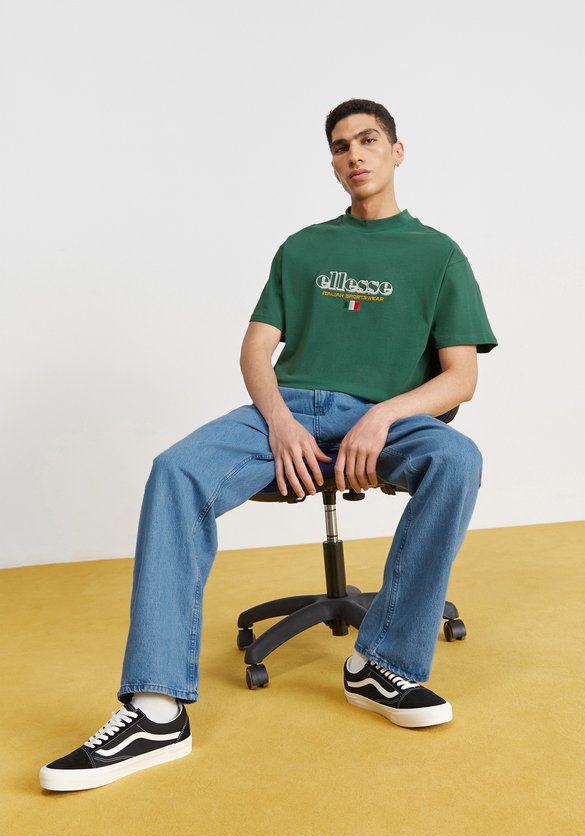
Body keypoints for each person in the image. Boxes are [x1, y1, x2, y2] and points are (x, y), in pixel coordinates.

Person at [40, 98, 498, 791]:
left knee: (458, 459)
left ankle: (382, 664)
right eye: (340, 146)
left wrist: (382, 416)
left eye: (368, 140)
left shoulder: (439, 255)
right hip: (289, 408)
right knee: (176, 470)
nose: (354, 154)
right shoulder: (303, 247)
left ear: (397, 151)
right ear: (333, 163)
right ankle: (155, 710)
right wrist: (281, 421)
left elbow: (461, 377)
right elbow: (256, 348)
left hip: (383, 419)